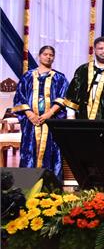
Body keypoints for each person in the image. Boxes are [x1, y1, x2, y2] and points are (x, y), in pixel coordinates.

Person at [12, 46, 69, 181]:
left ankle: (50, 184)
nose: (48, 57)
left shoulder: (59, 78)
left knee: (51, 150)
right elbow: (19, 96)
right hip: (31, 122)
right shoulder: (27, 76)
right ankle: (27, 183)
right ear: (39, 56)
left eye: (51, 55)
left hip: (51, 121)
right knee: (29, 150)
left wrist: (49, 113)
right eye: (45, 54)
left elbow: (64, 97)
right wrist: (30, 114)